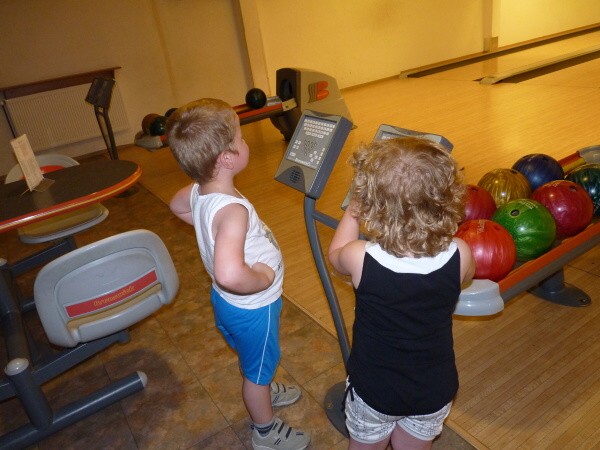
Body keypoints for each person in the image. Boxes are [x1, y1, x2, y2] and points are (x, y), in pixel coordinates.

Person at [167, 98, 310, 450]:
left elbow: (176, 205)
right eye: (240, 138)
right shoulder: (232, 211)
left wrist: (209, 231)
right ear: (227, 158)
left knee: (253, 361)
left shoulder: (200, 191)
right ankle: (265, 430)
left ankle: (261, 387)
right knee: (257, 372)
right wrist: (262, 277)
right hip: (254, 307)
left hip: (227, 304)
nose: (245, 142)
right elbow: (230, 275)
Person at [328, 136, 475, 450]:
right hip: (434, 387)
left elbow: (335, 254)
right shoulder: (460, 253)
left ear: (373, 205)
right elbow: (467, 278)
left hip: (375, 389)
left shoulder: (359, 257)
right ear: (446, 200)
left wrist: (352, 213)